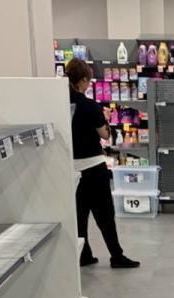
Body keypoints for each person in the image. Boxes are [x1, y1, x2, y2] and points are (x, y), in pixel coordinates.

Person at [66, 59, 140, 269]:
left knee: (79, 216)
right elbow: (105, 135)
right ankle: (116, 256)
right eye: (87, 81)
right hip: (94, 167)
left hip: (71, 169)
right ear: (82, 80)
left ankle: (84, 254)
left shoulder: (59, 104)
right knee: (105, 215)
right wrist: (105, 118)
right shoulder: (89, 106)